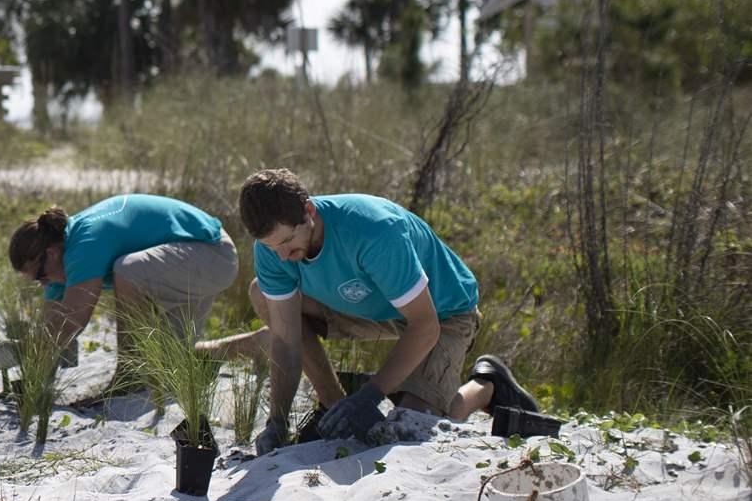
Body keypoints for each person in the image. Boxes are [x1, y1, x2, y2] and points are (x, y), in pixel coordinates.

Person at [201, 168, 538, 454]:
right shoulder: (273, 250)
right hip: (366, 306)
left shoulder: (374, 232)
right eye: (273, 247)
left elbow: (424, 325)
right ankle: (333, 403)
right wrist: (277, 421)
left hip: (442, 312)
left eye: (288, 242)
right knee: (263, 294)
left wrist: (369, 396)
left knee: (413, 429)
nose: (284, 255)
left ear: (309, 211)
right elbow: (287, 340)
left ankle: (487, 385)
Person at [6, 194, 238, 389]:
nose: (44, 284)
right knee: (168, 367)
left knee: (127, 270)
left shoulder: (83, 245)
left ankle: (128, 379)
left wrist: (27, 360)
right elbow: (52, 326)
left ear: (52, 253)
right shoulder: (58, 260)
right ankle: (259, 343)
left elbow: (72, 320)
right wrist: (33, 381)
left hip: (213, 254)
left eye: (40, 276)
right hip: (189, 259)